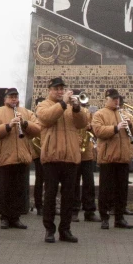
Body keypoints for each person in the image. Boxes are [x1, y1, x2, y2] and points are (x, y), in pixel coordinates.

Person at [36, 77, 87, 243]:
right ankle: (49, 230)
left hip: (70, 157)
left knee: (69, 196)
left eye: (61, 89)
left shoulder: (70, 106)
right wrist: (63, 104)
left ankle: (65, 230)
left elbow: (82, 124)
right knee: (50, 195)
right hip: (51, 157)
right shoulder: (43, 105)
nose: (59, 91)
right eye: (56, 89)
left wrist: (77, 108)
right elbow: (46, 118)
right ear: (49, 90)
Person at [0, 87, 40, 229]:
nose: (13, 99)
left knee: (18, 190)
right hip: (6, 157)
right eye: (10, 97)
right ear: (5, 99)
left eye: (15, 97)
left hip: (22, 157)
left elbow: (38, 129)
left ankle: (15, 217)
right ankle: (5, 218)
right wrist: (8, 125)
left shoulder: (26, 112)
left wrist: (24, 123)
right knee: (6, 190)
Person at [92, 89, 133, 229]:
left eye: (117, 98)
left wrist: (130, 125)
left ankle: (119, 218)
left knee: (122, 190)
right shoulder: (99, 114)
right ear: (106, 99)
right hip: (108, 158)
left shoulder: (124, 113)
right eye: (113, 98)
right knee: (106, 190)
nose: (116, 101)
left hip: (123, 157)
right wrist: (116, 128)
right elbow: (98, 131)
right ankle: (104, 217)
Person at [72, 97, 98, 222]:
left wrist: (90, 127)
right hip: (74, 150)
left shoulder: (88, 112)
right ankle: (74, 210)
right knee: (74, 183)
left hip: (86, 151)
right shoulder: (69, 111)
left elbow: (94, 130)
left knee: (89, 183)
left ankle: (89, 211)